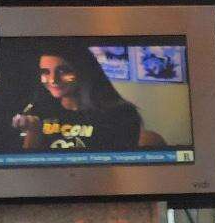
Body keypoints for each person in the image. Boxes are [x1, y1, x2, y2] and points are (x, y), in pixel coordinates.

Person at [11, 44, 146, 153]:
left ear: (83, 70)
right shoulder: (37, 110)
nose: (53, 80)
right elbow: (24, 172)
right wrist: (33, 133)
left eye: (63, 71)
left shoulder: (120, 114)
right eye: (45, 72)